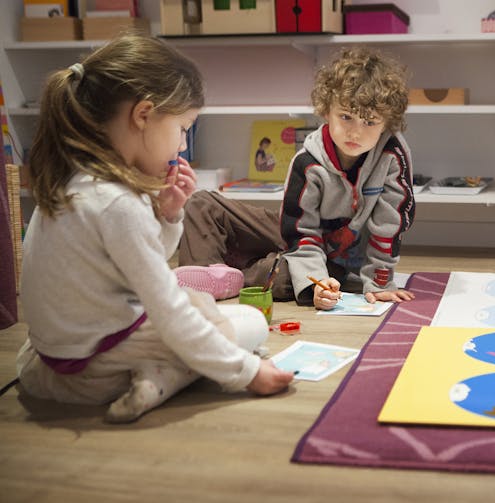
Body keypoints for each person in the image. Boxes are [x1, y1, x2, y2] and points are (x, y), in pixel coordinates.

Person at [16, 33, 294, 423]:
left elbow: (137, 264)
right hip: (99, 366)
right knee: (245, 324)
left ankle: (157, 372)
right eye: (183, 128)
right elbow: (165, 308)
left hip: (55, 366)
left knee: (196, 304)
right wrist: (247, 373)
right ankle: (162, 379)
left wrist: (168, 214)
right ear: (143, 114)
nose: (181, 146)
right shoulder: (118, 203)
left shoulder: (75, 182)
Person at [179, 47, 416, 310]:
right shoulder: (307, 161)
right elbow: (300, 233)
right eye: (346, 117)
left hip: (337, 260)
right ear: (327, 111)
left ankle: (234, 273)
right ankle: (198, 287)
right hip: (302, 238)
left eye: (370, 122)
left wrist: (378, 283)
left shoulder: (392, 156)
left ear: (387, 123)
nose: (356, 133)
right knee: (200, 202)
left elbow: (388, 227)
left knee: (286, 280)